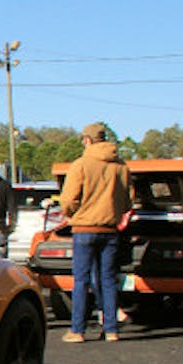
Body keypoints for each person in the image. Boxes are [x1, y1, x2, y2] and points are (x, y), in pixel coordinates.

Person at [59, 122, 131, 343]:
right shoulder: (121, 167)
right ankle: (111, 330)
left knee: (81, 280)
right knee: (108, 279)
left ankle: (77, 330)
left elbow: (68, 199)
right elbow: (127, 201)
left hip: (84, 229)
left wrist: (69, 212)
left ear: (87, 140)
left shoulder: (80, 165)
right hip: (109, 230)